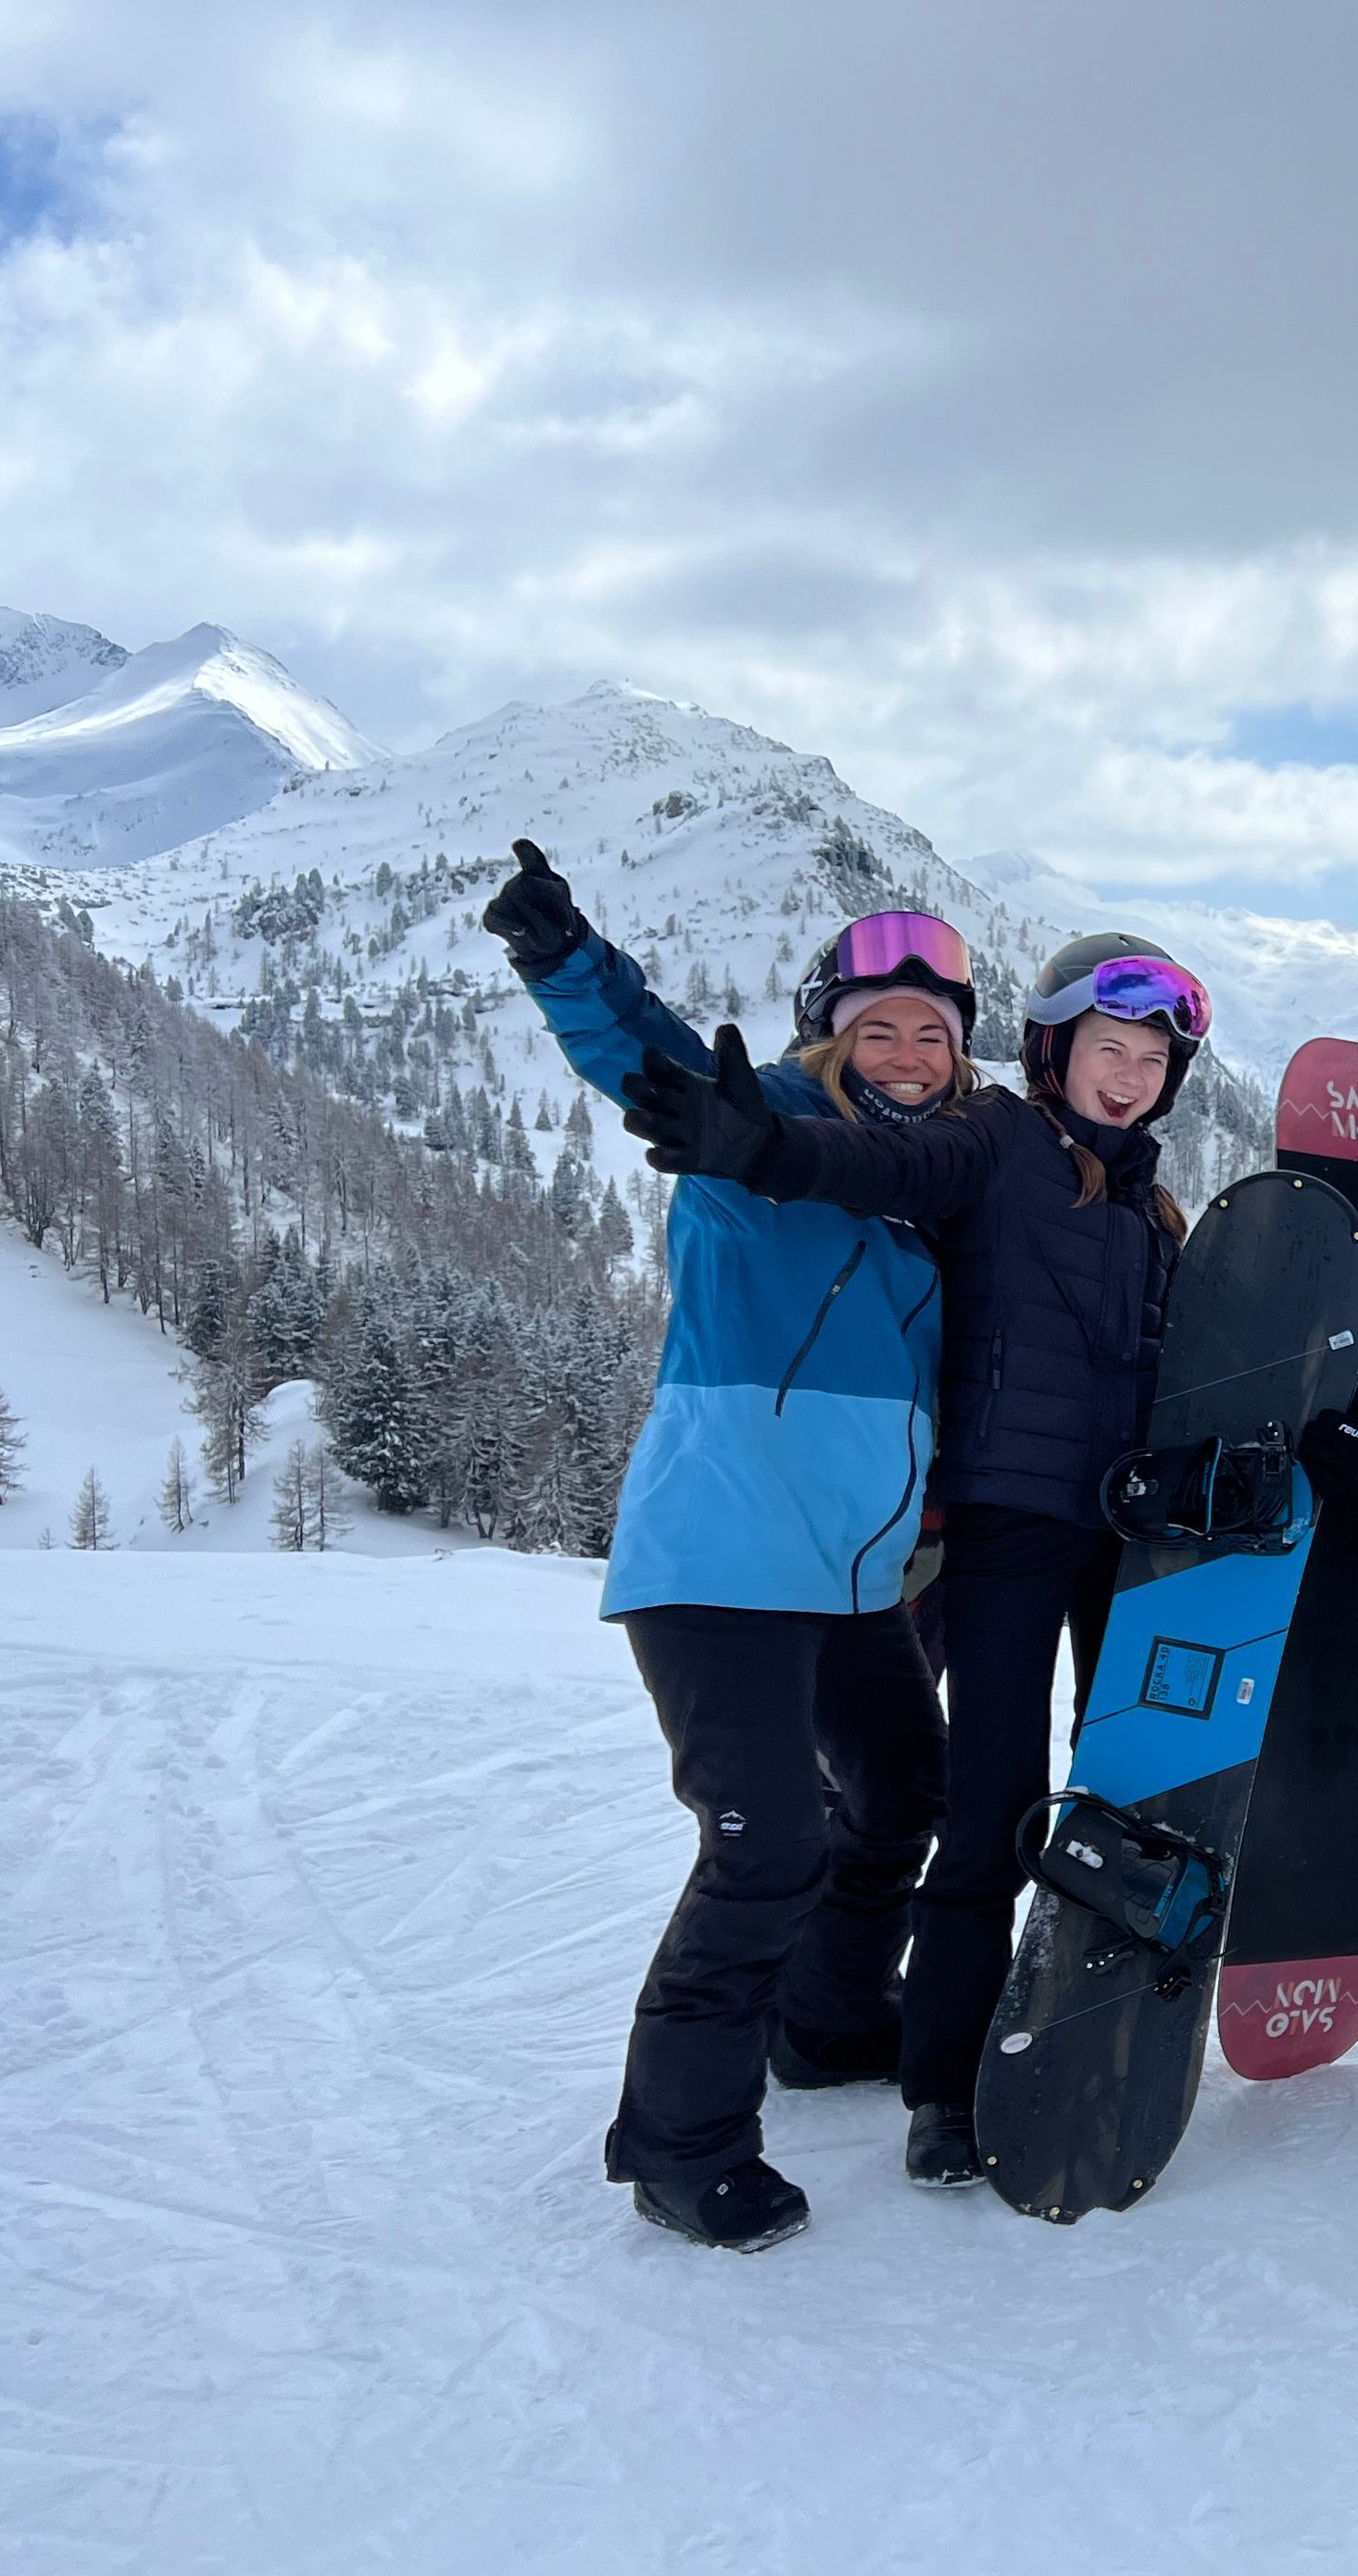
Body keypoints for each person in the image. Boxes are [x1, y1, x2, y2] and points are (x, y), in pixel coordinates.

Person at [623, 929, 1206, 2192]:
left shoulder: (1158, 1211)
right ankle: (945, 2083)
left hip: (1123, 1540)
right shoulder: (990, 1142)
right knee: (988, 1811)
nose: (1130, 1073)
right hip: (1002, 1531)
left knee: (1135, 1803)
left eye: (1153, 1057)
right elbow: (871, 1156)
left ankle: (1104, 2028)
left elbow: (1182, 1374)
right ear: (1057, 1052)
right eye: (1109, 1047)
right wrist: (760, 1149)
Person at [486, 843, 964, 2254]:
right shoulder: (751, 1122)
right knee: (765, 1846)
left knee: (901, 1793)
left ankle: (824, 2024)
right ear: (830, 1034)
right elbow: (639, 1052)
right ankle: (682, 2148)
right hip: (716, 1564)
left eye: (935, 1034)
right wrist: (565, 960)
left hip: (850, 1577)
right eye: (880, 1026)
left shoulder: (922, 1191)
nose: (909, 1052)